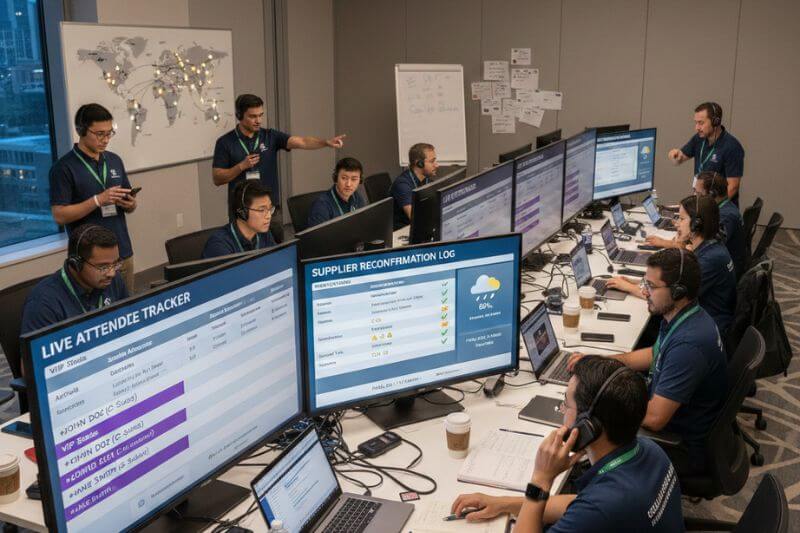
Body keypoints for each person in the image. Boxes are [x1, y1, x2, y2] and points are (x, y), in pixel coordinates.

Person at [451, 357, 683, 532]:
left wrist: (541, 480)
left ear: (588, 425)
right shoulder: (649, 450)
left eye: (565, 404)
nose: (561, 411)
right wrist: (503, 504)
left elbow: (593, 509)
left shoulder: (604, 507)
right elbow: (579, 504)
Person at [570, 249, 727, 475]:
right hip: (673, 416)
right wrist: (598, 363)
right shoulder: (683, 316)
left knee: (585, 420)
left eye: (652, 287)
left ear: (678, 291)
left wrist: (598, 403)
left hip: (677, 444)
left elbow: (655, 419)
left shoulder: (689, 345)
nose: (644, 291)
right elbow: (655, 355)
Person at [212, 94, 346, 238]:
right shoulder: (225, 142)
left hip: (270, 209)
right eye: (252, 116)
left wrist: (325, 143)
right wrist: (241, 166)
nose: (258, 121)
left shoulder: (270, 136)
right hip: (242, 210)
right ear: (239, 115)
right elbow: (217, 178)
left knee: (277, 250)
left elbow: (302, 142)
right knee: (244, 253)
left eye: (260, 115)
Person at [610, 196, 737, 334]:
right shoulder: (710, 246)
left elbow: (670, 298)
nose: (676, 224)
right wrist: (639, 282)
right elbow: (673, 283)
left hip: (707, 328)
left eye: (682, 219)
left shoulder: (708, 260)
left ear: (696, 224)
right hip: (705, 319)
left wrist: (628, 287)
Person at [50, 104, 137, 291]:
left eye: (109, 133)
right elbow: (59, 215)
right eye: (99, 134)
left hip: (121, 252)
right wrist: (97, 201)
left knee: (127, 310)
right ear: (81, 130)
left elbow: (129, 204)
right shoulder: (64, 168)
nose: (105, 140)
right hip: (90, 262)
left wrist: (130, 204)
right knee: (96, 314)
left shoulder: (114, 160)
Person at [21, 224, 129, 334]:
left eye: (115, 264)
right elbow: (41, 350)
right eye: (103, 267)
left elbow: (129, 322)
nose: (112, 273)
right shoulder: (43, 303)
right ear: (76, 264)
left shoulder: (113, 280)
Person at [667, 101, 745, 204]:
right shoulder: (699, 139)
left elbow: (733, 187)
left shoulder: (732, 147)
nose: (697, 127)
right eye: (696, 122)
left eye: (701, 123)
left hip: (719, 210)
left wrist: (710, 208)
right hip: (701, 202)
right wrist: (674, 155)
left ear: (715, 122)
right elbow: (680, 158)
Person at [202, 180, 276, 258]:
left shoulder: (264, 234)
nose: (269, 216)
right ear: (243, 213)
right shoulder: (219, 245)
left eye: (270, 209)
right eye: (261, 210)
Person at [695, 171, 747, 279]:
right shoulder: (725, 208)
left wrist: (671, 243)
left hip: (725, 273)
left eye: (699, 194)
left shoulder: (726, 216)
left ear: (712, 194)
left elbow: (707, 246)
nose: (695, 197)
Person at [390, 143, 439, 229]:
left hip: (419, 228)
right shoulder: (402, 185)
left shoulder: (427, 181)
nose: (437, 165)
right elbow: (414, 217)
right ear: (419, 164)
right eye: (432, 161)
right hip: (402, 231)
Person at [306, 157, 366, 228]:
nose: (348, 184)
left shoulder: (357, 198)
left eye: (354, 179)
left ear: (360, 180)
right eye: (344, 178)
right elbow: (317, 237)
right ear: (335, 178)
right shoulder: (321, 205)